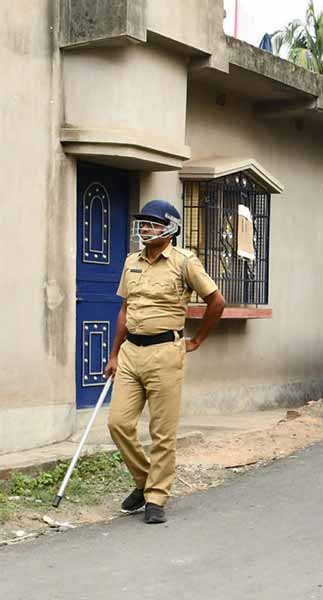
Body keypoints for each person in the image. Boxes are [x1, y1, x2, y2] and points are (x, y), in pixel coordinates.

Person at [103, 200, 225, 523]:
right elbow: (125, 310)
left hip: (165, 353)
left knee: (162, 431)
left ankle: (156, 497)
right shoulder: (131, 262)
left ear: (169, 228)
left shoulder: (185, 262)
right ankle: (146, 482)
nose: (144, 228)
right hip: (130, 352)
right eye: (142, 223)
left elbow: (216, 301)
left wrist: (197, 340)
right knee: (118, 423)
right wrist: (114, 354)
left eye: (152, 223)